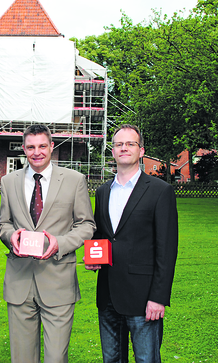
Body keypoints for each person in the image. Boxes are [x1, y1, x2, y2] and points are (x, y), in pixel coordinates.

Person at [0, 124, 96, 363]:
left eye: (42, 146)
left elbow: (86, 225)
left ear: (52, 147)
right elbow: (4, 224)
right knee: (22, 359)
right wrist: (11, 237)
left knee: (55, 358)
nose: (37, 152)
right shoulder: (9, 181)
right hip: (19, 281)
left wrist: (60, 243)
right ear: (23, 149)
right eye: (31, 147)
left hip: (58, 280)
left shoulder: (74, 180)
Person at [86, 124, 178, 363]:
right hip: (108, 296)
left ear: (141, 150)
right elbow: (103, 236)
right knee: (112, 359)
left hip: (143, 298)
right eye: (118, 144)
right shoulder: (104, 191)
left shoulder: (160, 191)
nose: (124, 148)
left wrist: (158, 297)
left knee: (146, 359)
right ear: (113, 151)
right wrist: (93, 257)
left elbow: (166, 250)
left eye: (130, 144)